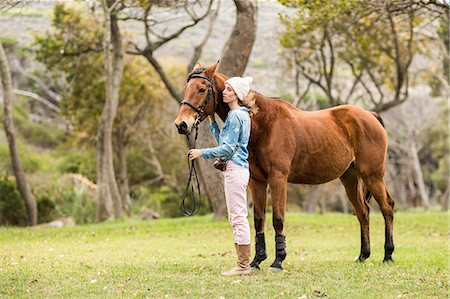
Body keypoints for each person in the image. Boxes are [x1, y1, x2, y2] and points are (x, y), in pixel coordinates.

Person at [188, 76, 253, 276]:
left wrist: (201, 153)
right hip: (238, 169)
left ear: (238, 95)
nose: (224, 92)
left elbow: (227, 150)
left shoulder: (234, 116)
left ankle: (243, 266)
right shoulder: (241, 115)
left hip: (234, 169)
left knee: (238, 217)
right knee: (237, 216)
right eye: (224, 89)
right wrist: (212, 122)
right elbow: (225, 142)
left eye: (229, 90)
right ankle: (243, 264)